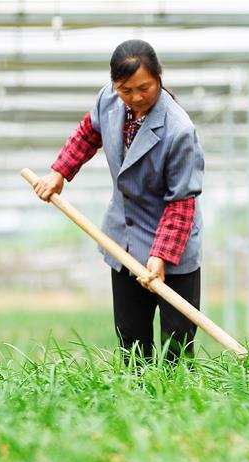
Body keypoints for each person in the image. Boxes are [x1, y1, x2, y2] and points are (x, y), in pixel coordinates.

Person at [33, 39, 204, 362]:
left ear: (160, 77)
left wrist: (161, 256)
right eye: (126, 89)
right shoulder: (108, 101)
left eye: (145, 87)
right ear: (115, 85)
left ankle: (177, 409)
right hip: (124, 242)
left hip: (172, 246)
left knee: (176, 349)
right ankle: (136, 407)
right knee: (132, 345)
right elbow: (87, 134)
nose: (136, 97)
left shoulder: (179, 130)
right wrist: (59, 172)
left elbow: (181, 202)